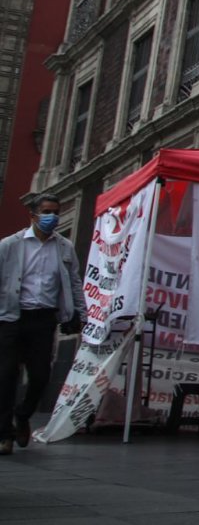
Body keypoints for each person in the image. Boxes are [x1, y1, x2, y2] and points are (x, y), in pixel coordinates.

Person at [0, 193, 85, 456]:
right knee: (5, 377)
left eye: (56, 212)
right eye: (47, 211)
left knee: (40, 376)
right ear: (33, 215)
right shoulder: (9, 245)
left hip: (44, 319)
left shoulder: (64, 247)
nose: (53, 217)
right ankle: (4, 436)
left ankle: (23, 414)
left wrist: (79, 313)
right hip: (11, 318)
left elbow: (73, 282)